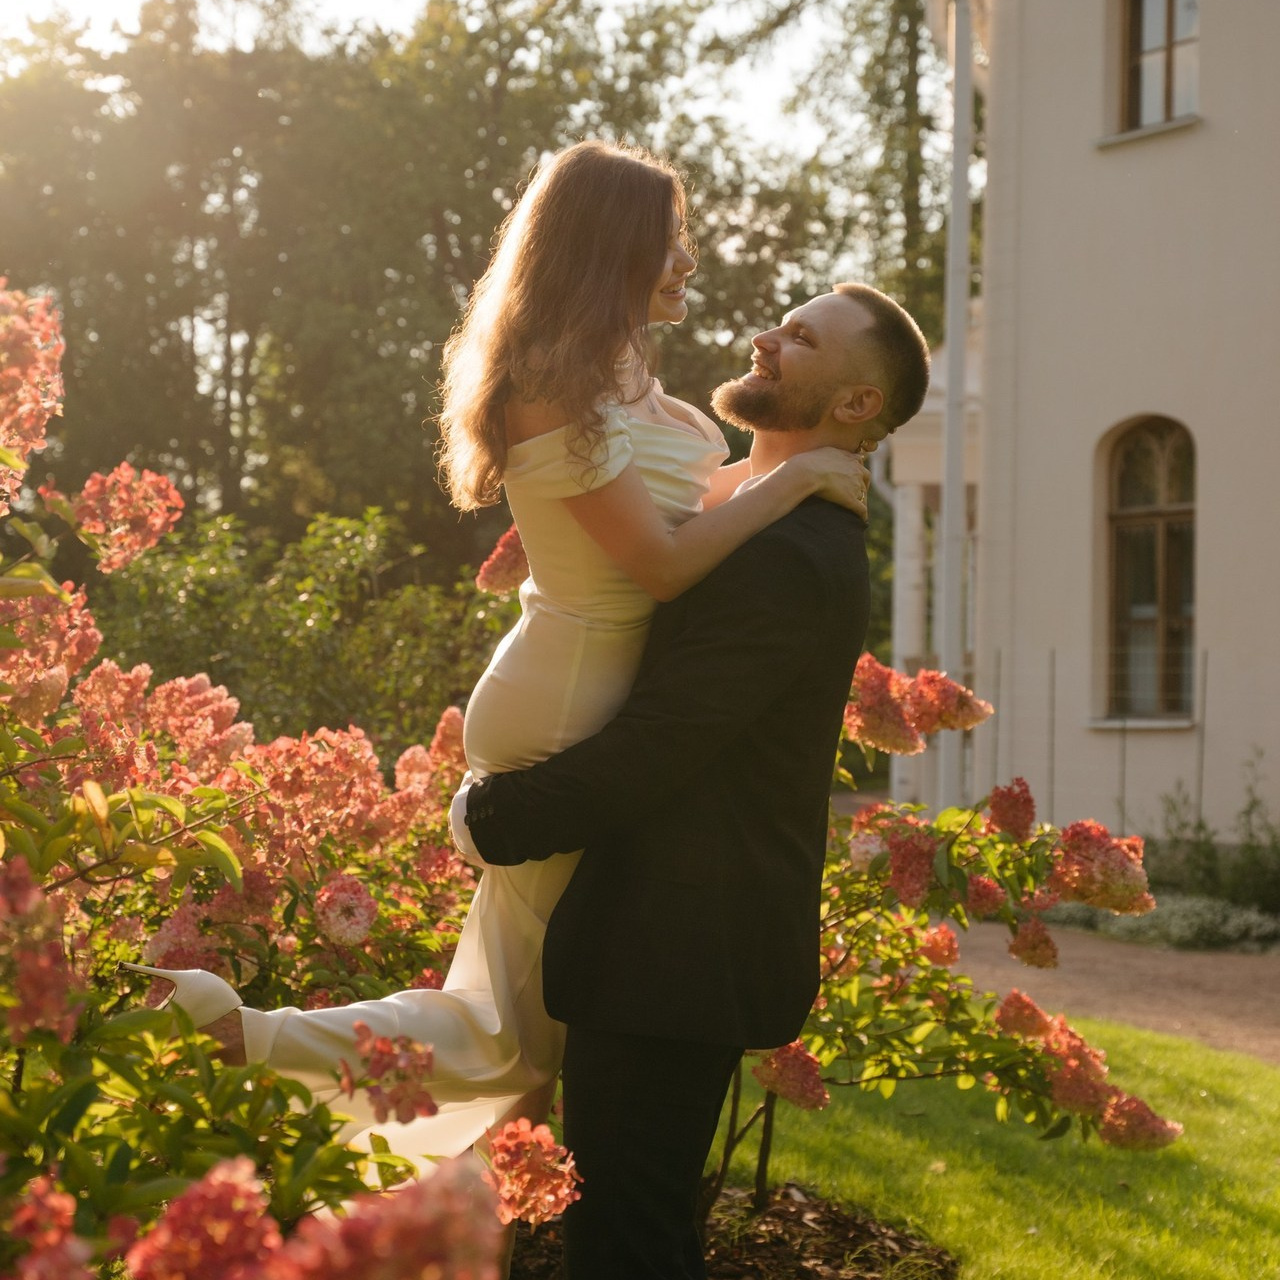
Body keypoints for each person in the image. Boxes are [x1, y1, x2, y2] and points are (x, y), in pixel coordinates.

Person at [122, 140, 871, 1167]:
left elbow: (696, 535)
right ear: (612, 248)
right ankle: (245, 1049)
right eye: (670, 241)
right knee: (508, 1032)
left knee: (521, 1034)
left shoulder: (640, 389)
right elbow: (658, 566)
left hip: (599, 683)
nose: (687, 260)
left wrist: (784, 467)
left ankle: (265, 1065)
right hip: (568, 690)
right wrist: (800, 475)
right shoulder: (545, 386)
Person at [450, 280, 931, 1279]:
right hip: (657, 942)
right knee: (633, 1232)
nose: (765, 338)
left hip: (678, 949)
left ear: (852, 405)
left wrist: (492, 815)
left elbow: (666, 739)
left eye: (798, 339)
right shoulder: (753, 520)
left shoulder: (795, 553)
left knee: (625, 1244)